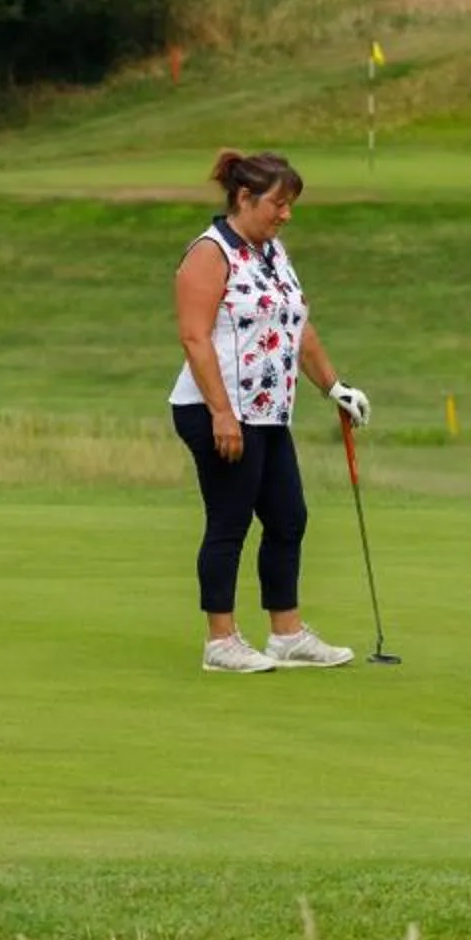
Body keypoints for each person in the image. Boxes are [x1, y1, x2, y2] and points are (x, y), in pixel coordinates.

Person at [171, 148, 371, 674]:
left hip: (267, 411)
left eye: (290, 205)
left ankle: (286, 633)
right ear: (244, 198)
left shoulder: (273, 253)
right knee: (230, 521)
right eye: (278, 204)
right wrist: (220, 413)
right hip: (217, 410)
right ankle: (221, 641)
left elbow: (297, 325)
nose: (286, 215)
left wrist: (334, 387)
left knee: (288, 518)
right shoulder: (209, 253)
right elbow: (194, 337)